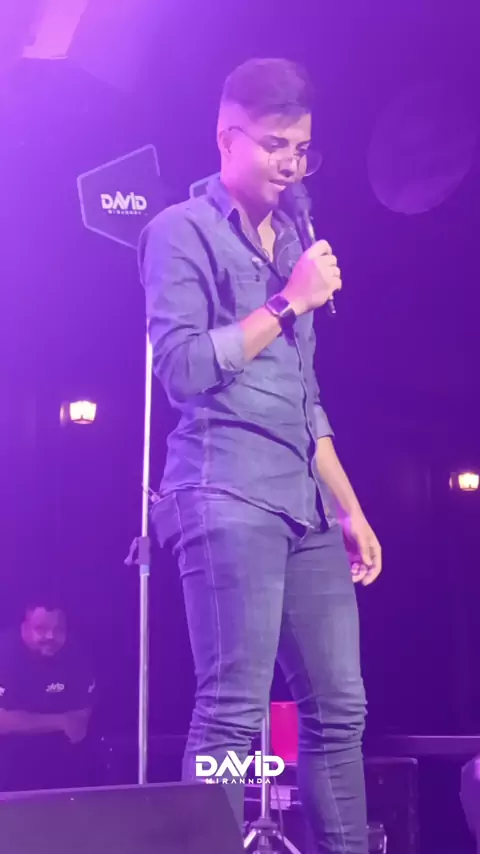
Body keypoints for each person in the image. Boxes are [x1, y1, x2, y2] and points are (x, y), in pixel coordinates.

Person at [139, 57, 382, 853]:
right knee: (232, 711)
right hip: (224, 492)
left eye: (302, 148)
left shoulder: (296, 242)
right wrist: (288, 300)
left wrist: (349, 508)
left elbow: (305, 400)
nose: (291, 164)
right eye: (276, 145)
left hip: (304, 505)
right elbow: (181, 369)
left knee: (340, 708)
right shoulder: (180, 231)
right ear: (227, 138)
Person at [0, 596, 95, 791]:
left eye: (58, 630)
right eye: (40, 628)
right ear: (24, 628)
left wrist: (23, 721)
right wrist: (59, 721)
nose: (51, 636)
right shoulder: (4, 653)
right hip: (6, 764)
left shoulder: (76, 654)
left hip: (60, 764)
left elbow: (78, 724)